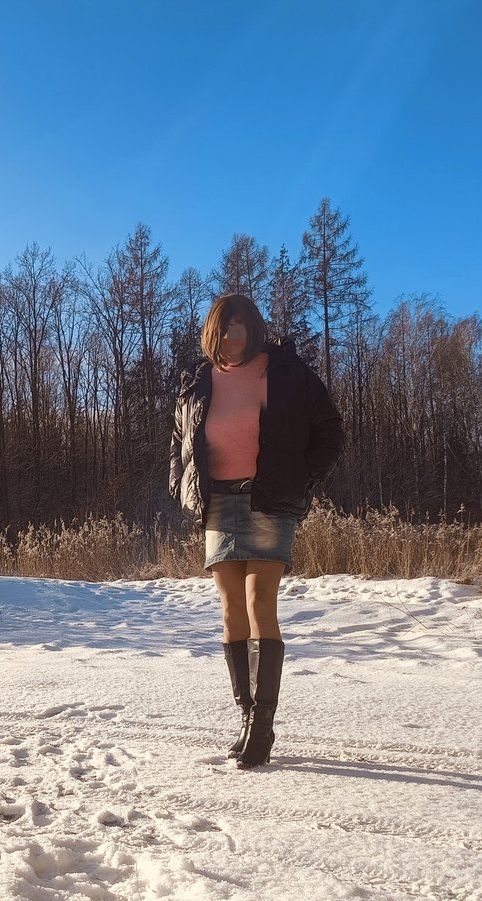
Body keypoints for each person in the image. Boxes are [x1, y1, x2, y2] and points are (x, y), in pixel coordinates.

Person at [169, 294, 344, 769]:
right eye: (226, 327)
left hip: (268, 501)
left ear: (255, 329)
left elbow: (330, 430)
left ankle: (262, 727)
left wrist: (300, 478)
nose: (234, 336)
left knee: (258, 603)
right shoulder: (197, 382)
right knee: (231, 613)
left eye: (242, 326)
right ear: (213, 331)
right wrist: (181, 486)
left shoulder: (284, 371)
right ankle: (247, 718)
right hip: (218, 504)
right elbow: (180, 442)